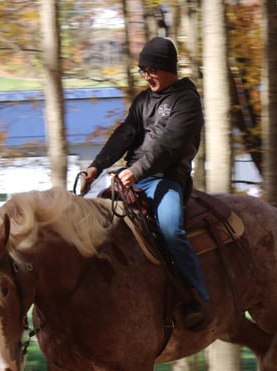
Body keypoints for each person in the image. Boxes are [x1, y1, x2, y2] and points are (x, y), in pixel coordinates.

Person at [81, 36, 210, 331]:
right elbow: (125, 134)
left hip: (166, 179)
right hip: (132, 177)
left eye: (152, 70)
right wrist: (95, 167)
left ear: (168, 69)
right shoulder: (143, 100)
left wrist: (135, 172)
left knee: (171, 230)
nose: (147, 76)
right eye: (143, 70)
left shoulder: (187, 101)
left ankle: (199, 298)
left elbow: (169, 145)